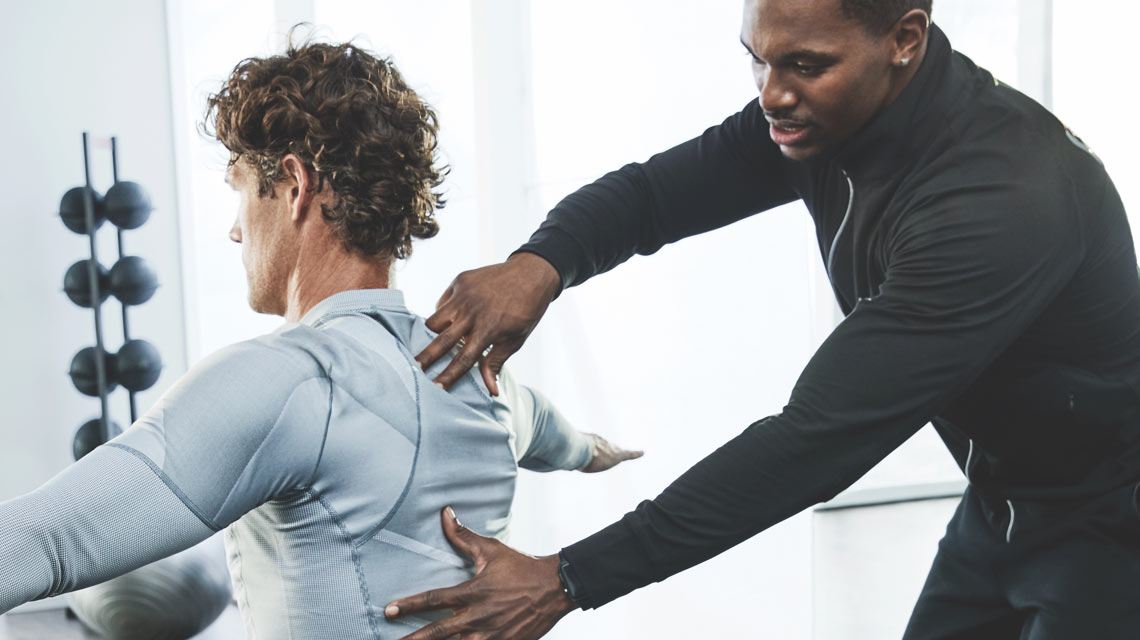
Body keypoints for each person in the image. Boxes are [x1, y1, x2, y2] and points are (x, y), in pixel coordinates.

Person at [385, 0, 1140, 638]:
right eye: (758, 59)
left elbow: (815, 440)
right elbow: (654, 197)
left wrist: (567, 578)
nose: (772, 93)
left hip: (1112, 527)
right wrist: (539, 264)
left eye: (805, 65)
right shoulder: (830, 116)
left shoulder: (998, 199)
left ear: (904, 40)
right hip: (1003, 504)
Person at [0, 40, 640, 639]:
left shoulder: (286, 381)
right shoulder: (484, 378)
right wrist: (600, 451)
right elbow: (560, 438)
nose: (235, 231)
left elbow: (41, 542)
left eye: (241, 193)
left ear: (294, 185)